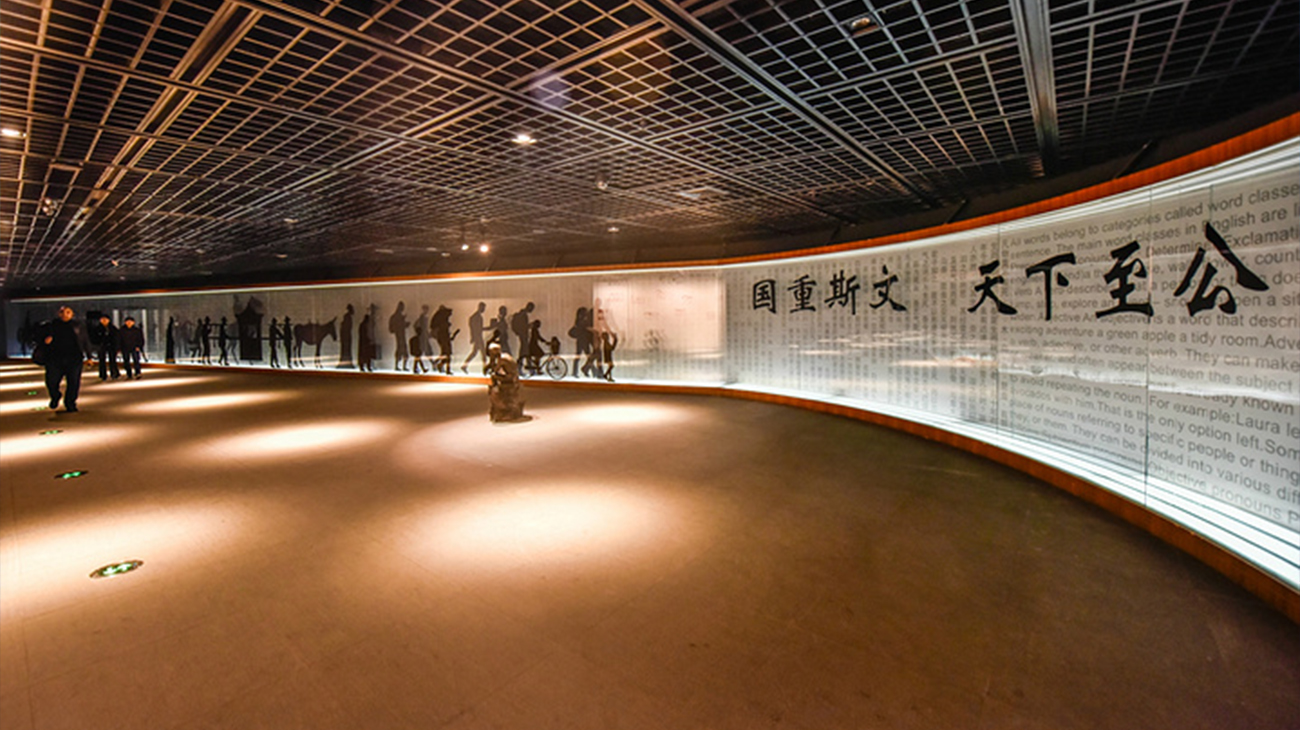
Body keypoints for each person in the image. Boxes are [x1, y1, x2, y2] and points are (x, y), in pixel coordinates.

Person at [41, 306, 92, 413]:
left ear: (72, 314)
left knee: (73, 382)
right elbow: (40, 339)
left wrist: (89, 357)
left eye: (68, 312)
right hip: (55, 358)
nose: (65, 314)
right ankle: (55, 396)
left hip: (74, 358)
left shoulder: (78, 326)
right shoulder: (52, 326)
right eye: (62, 312)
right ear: (58, 314)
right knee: (51, 381)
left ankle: (70, 403)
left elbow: (85, 340)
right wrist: (45, 341)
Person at [486, 342, 523, 423]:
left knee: (493, 376)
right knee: (494, 376)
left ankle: (495, 389)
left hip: (511, 377)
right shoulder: (503, 356)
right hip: (512, 376)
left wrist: (491, 363)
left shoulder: (502, 359)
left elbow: (495, 369)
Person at [90, 314, 121, 380]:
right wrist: (97, 344)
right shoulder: (97, 329)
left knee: (112, 360)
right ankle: (103, 374)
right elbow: (93, 337)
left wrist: (117, 346)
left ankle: (114, 373)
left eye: (106, 319)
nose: (104, 321)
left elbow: (117, 338)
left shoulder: (113, 328)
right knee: (102, 360)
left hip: (111, 345)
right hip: (101, 345)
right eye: (102, 319)